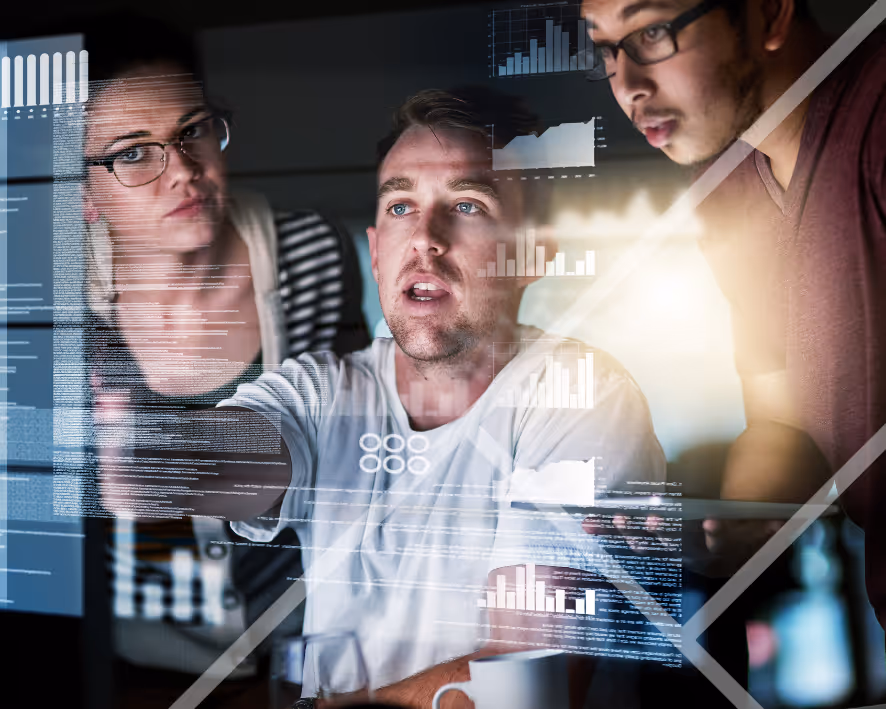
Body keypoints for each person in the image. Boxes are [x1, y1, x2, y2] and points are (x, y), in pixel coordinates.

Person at [100, 87, 667, 704]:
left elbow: (525, 682)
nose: (425, 237)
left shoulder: (579, 394)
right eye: (401, 207)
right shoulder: (321, 389)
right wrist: (144, 454)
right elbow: (236, 455)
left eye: (469, 205)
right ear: (374, 252)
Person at [81, 16, 369, 708]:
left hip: (311, 653)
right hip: (142, 668)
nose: (182, 169)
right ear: (84, 194)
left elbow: (359, 457)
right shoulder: (56, 306)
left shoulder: (311, 254)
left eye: (193, 130)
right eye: (134, 153)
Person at [580, 0, 885, 624]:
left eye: (652, 33)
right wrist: (722, 527)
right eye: (606, 49)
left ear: (769, 14)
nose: (628, 85)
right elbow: (785, 425)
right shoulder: (724, 189)